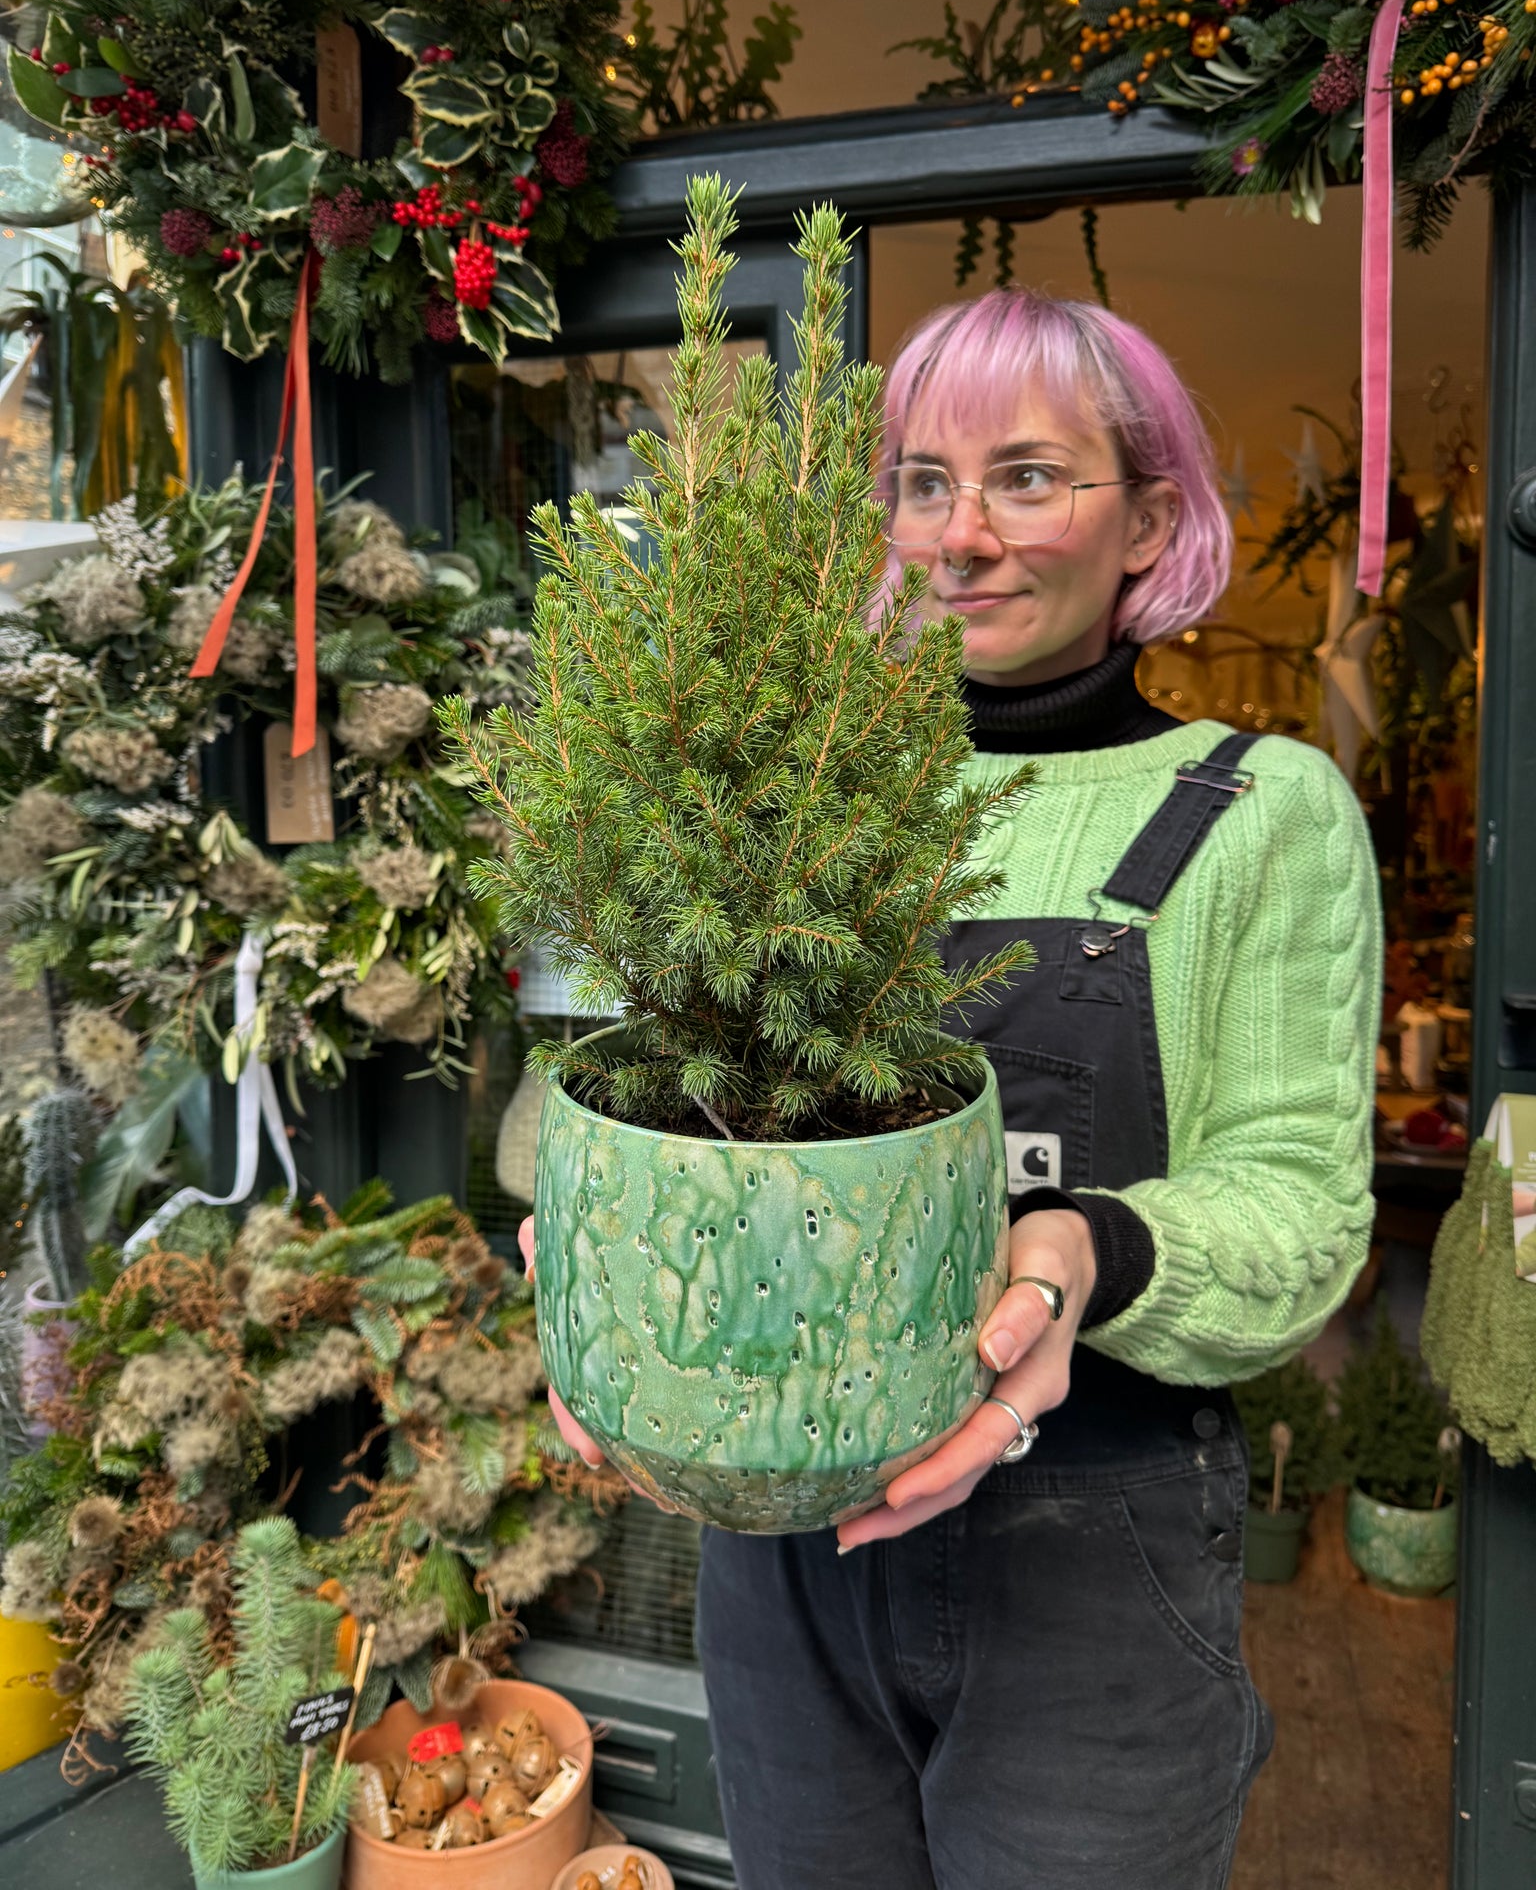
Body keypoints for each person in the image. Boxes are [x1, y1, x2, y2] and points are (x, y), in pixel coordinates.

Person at [533, 288, 1382, 1889]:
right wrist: (597, 1234)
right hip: (786, 1546)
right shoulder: (777, 800)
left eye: (1027, 477)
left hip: (1094, 1557)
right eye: (923, 482)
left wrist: (1078, 1249)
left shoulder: (1263, 811)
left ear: (1149, 522)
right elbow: (659, 1086)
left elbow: (1302, 1211)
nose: (962, 535)